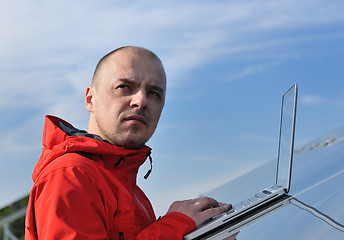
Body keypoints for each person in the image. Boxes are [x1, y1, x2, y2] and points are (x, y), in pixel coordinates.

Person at [25, 46, 231, 239]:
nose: (141, 101)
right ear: (90, 99)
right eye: (124, 87)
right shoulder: (70, 174)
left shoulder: (126, 186)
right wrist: (175, 226)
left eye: (153, 93)